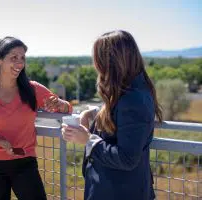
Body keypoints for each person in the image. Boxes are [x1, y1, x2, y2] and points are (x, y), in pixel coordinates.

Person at [0, 36, 72, 200]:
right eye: (13, 58)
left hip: (25, 163)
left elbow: (66, 108)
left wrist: (60, 104)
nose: (19, 63)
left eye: (22, 58)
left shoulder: (32, 89)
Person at [61, 30, 162, 200]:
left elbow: (127, 158)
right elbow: (118, 113)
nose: (96, 65)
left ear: (111, 61)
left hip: (120, 192)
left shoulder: (134, 99)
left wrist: (88, 140)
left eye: (98, 59)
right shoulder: (130, 91)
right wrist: (92, 114)